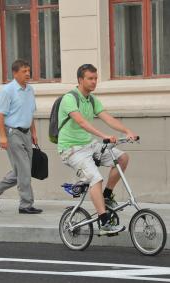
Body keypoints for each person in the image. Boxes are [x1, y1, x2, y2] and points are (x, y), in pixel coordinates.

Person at [58, 64, 137, 235]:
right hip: (71, 150)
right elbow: (81, 122)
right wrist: (103, 136)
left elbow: (107, 118)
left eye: (95, 78)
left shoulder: (92, 100)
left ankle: (107, 195)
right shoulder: (69, 99)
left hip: (89, 145)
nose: (94, 82)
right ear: (80, 80)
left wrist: (126, 131)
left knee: (122, 158)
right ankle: (104, 221)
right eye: (90, 78)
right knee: (95, 178)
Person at [0, 59, 42, 214]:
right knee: (24, 170)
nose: (28, 74)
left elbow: (30, 112)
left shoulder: (30, 90)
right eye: (24, 71)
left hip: (26, 133)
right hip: (13, 134)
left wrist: (34, 133)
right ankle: (26, 205)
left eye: (28, 70)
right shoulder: (7, 91)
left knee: (23, 170)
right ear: (15, 73)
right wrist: (3, 137)